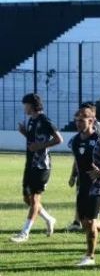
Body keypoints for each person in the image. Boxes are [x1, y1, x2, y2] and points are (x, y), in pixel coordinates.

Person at [68, 106, 100, 266]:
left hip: (97, 187)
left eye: (81, 120)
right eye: (76, 120)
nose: (78, 123)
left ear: (91, 121)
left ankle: (90, 257)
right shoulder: (75, 140)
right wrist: (73, 175)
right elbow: (77, 160)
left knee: (90, 222)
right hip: (82, 186)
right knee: (85, 223)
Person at [12, 93, 62, 242]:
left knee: (34, 199)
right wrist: (25, 133)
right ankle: (49, 219)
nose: (24, 108)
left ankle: (24, 233)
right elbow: (34, 139)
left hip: (41, 165)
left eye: (25, 105)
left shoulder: (44, 120)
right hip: (30, 164)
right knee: (27, 199)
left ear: (32, 105)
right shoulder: (31, 121)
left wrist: (40, 146)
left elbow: (59, 139)